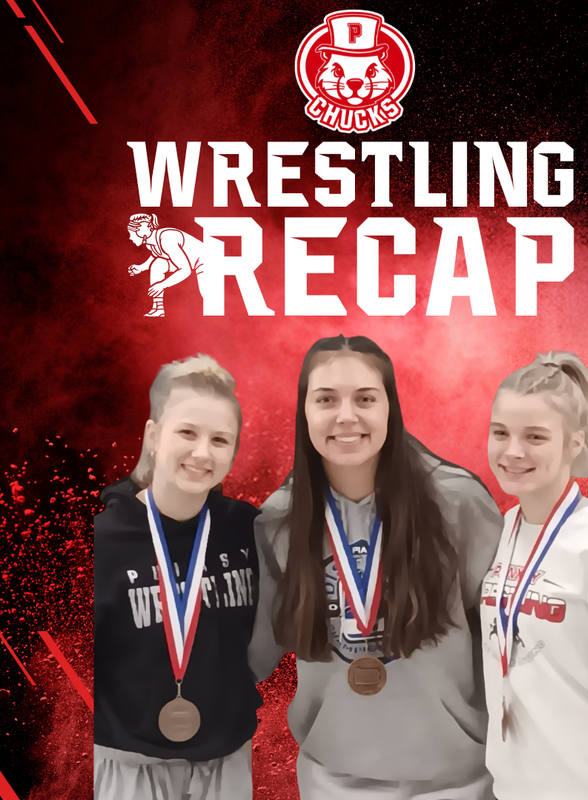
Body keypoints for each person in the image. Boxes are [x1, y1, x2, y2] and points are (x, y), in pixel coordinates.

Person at [250, 335, 503, 799]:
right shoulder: (278, 520)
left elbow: (503, 641)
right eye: (326, 399)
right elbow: (248, 656)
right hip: (335, 781)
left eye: (365, 398)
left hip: (459, 781)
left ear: (391, 408)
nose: (346, 416)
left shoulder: (458, 502)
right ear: (304, 410)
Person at [94, 354, 261, 800]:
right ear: (152, 436)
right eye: (187, 432)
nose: (202, 452)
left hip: (225, 761)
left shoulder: (249, 530)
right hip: (131, 764)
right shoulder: (102, 537)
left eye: (220, 440)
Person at [480, 352, 588, 800]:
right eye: (501, 433)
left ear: (575, 443)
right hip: (509, 790)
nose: (513, 451)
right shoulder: (500, 529)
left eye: (535, 436)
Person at [127, 213, 205, 317]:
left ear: (141, 232)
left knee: (207, 295)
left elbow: (185, 270)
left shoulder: (167, 239)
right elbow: (156, 255)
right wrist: (141, 267)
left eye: (132, 233)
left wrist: (162, 284)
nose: (130, 237)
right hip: (192, 262)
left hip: (206, 260)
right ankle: (158, 308)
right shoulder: (151, 242)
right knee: (158, 264)